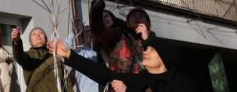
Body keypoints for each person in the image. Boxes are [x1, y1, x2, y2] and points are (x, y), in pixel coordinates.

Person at [50, 35, 196, 91]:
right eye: (146, 49)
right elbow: (105, 75)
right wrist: (70, 55)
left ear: (165, 57)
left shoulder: (181, 83)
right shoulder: (140, 78)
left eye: (151, 50)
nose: (145, 52)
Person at [89, 0, 153, 80]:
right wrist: (98, 5)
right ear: (127, 22)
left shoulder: (155, 41)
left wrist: (148, 40)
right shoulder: (118, 35)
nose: (137, 17)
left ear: (148, 24)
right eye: (134, 15)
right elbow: (99, 30)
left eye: (141, 15)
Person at [11, 26, 72, 92]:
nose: (38, 35)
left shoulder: (56, 59)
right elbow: (18, 55)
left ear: (46, 38)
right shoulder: (28, 56)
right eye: (34, 34)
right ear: (30, 41)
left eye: (41, 33)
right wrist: (17, 42)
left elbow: (67, 83)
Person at [65, 26, 98, 92]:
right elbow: (65, 49)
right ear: (82, 38)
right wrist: (74, 32)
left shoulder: (102, 51)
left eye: (92, 31)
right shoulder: (80, 52)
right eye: (87, 31)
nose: (90, 33)